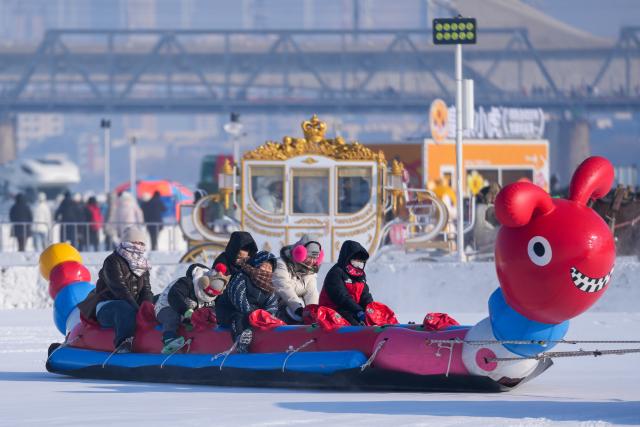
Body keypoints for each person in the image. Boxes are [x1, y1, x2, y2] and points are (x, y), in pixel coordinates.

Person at [78, 227, 153, 353]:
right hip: (108, 306)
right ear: (127, 242)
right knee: (124, 309)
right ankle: (123, 343)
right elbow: (120, 289)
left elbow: (146, 289)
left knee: (159, 301)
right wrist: (138, 310)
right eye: (136, 243)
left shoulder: (142, 265)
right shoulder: (113, 261)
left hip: (131, 304)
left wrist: (148, 306)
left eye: (142, 243)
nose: (139, 246)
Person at [155, 263, 229, 354]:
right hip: (167, 305)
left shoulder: (212, 296)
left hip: (190, 311)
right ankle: (169, 339)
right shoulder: (186, 283)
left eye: (212, 295)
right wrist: (185, 310)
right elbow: (174, 296)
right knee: (172, 316)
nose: (209, 296)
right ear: (204, 282)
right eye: (208, 293)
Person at [215, 251, 278, 353]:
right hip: (230, 310)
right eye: (264, 266)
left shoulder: (269, 286)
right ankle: (240, 341)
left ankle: (266, 344)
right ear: (256, 265)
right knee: (238, 316)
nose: (266, 270)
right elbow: (238, 296)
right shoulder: (242, 276)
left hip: (253, 314)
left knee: (271, 321)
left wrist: (265, 317)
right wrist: (253, 315)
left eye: (269, 268)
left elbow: (272, 304)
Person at [319, 240, 373, 325]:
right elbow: (342, 297)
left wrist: (371, 309)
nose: (358, 265)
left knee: (372, 320)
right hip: (333, 311)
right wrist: (358, 310)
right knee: (354, 323)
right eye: (356, 261)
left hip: (352, 309)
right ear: (347, 259)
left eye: (361, 263)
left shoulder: (360, 276)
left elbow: (365, 296)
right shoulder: (336, 273)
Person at [272, 236, 321, 324]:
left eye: (315, 258)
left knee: (310, 316)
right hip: (278, 307)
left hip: (297, 307)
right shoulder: (280, 264)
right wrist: (297, 309)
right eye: (309, 257)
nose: (312, 261)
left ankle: (310, 331)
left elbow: (312, 292)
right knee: (296, 311)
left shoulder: (310, 270)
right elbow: (284, 288)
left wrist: (314, 312)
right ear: (300, 253)